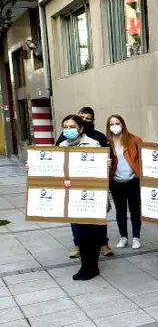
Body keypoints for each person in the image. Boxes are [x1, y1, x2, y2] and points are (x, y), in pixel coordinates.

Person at [56, 114, 111, 280]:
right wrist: (35, 168)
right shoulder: (62, 145)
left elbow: (100, 173)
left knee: (91, 233)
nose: (68, 130)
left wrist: (105, 165)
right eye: (65, 127)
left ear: (80, 128)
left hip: (91, 196)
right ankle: (85, 266)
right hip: (72, 197)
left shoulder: (93, 144)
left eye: (72, 127)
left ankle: (92, 267)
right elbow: (55, 170)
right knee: (80, 233)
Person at [106, 115, 143, 250]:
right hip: (116, 182)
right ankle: (123, 237)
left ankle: (136, 237)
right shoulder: (107, 142)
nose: (115, 126)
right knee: (120, 210)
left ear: (123, 124)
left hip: (133, 180)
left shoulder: (134, 140)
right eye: (112, 124)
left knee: (134, 210)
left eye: (117, 123)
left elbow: (143, 156)